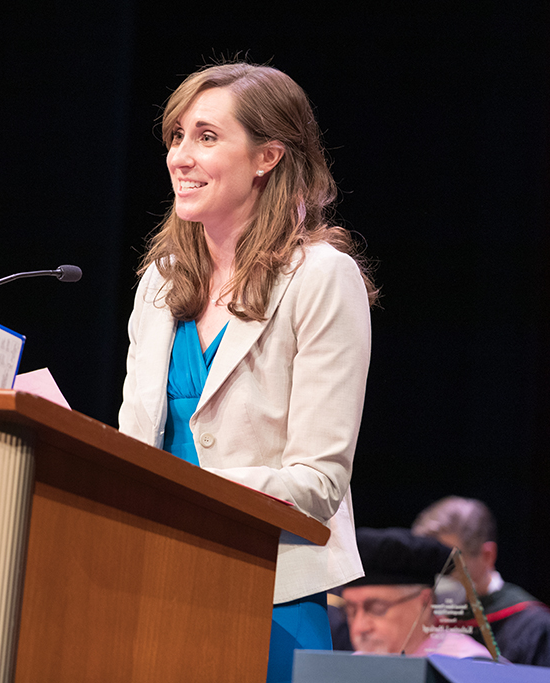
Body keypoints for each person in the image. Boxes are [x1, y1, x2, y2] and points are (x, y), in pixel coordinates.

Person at [118, 61, 376, 683]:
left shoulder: (320, 277)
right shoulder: (160, 283)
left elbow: (317, 481)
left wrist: (194, 495)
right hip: (152, 582)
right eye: (177, 136)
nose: (181, 155)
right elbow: (134, 447)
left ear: (268, 156)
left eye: (207, 137)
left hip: (271, 589)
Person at [413, 496, 550, 667]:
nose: (438, 577)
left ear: (487, 556)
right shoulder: (425, 621)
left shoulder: (535, 629)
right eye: (428, 566)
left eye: (449, 565)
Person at [341, 527, 493, 658]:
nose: (359, 627)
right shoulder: (348, 670)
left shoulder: (468, 668)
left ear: (425, 604)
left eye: (377, 608)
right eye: (351, 611)